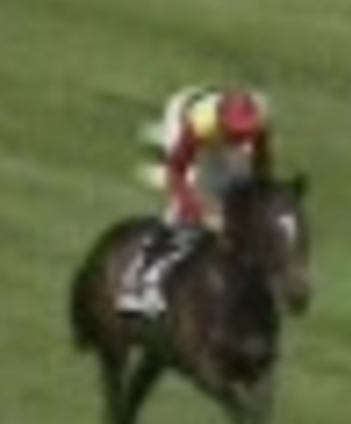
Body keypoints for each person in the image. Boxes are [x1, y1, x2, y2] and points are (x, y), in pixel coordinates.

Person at [117, 86, 274, 314]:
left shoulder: (258, 120)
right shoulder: (202, 124)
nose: (240, 138)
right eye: (235, 134)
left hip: (216, 134)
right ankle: (138, 283)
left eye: (244, 134)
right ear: (223, 123)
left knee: (235, 190)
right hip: (185, 127)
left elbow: (261, 162)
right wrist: (194, 208)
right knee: (181, 220)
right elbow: (176, 172)